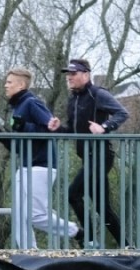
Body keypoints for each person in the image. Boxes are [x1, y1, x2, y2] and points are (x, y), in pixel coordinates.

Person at [47, 58, 128, 248]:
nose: (70, 77)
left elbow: (122, 113)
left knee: (73, 194)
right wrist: (58, 129)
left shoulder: (98, 94)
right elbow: (73, 133)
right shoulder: (73, 100)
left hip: (101, 155)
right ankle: (127, 245)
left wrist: (105, 127)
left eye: (74, 74)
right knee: (102, 207)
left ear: (86, 74)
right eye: (68, 74)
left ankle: (90, 240)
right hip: (87, 157)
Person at [0, 67, 78, 249]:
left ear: (21, 85)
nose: (5, 85)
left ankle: (75, 232)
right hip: (25, 165)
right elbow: (24, 143)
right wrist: (5, 140)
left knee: (35, 215)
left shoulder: (31, 103)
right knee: (18, 215)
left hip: (41, 166)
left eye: (9, 82)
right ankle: (29, 253)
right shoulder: (18, 106)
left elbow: (49, 129)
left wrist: (24, 127)